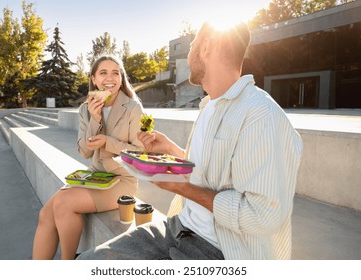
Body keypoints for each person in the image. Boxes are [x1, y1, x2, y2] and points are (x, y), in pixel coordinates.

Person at [77, 20, 303, 260]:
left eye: (192, 45)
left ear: (205, 47)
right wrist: (170, 150)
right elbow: (210, 173)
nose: (189, 53)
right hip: (179, 228)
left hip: (222, 250)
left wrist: (181, 187)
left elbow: (263, 216)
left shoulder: (261, 115)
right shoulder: (209, 105)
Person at [32, 55, 145, 259]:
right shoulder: (86, 108)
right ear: (93, 78)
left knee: (63, 203)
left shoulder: (132, 108)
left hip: (122, 180)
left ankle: (68, 263)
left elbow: (139, 153)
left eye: (115, 73)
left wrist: (108, 142)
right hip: (95, 176)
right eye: (103, 73)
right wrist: (95, 119)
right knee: (45, 214)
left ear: (121, 78)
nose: (110, 78)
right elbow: (85, 151)